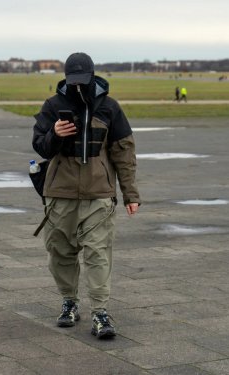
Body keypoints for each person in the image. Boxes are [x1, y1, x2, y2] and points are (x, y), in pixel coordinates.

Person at [32, 52, 141, 339]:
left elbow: (124, 154)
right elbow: (40, 147)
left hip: (99, 195)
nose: (78, 86)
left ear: (93, 76)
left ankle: (100, 313)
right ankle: (69, 302)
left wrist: (130, 194)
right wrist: (55, 133)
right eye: (73, 81)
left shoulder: (110, 108)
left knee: (98, 253)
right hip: (60, 195)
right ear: (66, 78)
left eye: (83, 80)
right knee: (60, 253)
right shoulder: (52, 106)